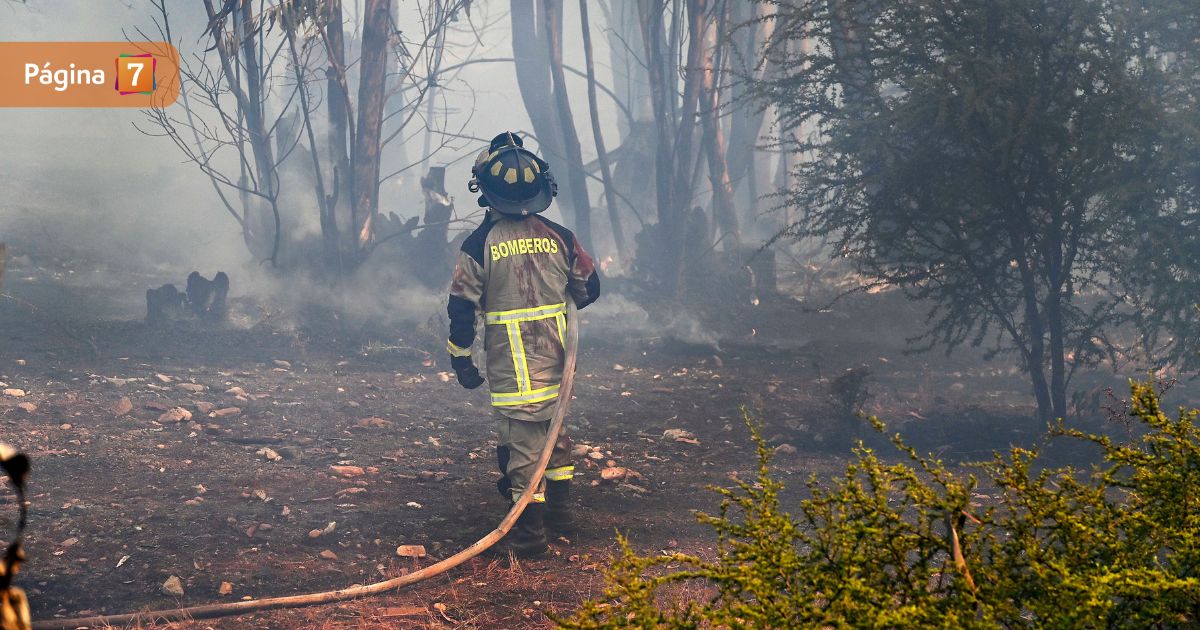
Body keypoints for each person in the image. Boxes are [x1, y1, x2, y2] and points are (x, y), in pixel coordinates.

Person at [446, 132, 601, 557]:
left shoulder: (479, 245)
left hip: (513, 367)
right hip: (558, 360)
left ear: (486, 191)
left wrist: (461, 360)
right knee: (556, 436)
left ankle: (529, 538)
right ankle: (561, 518)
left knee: (522, 446)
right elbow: (590, 289)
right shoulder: (561, 236)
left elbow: (461, 308)